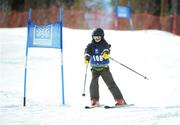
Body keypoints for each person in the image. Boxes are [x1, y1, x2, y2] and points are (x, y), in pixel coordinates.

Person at [84, 28, 126, 106]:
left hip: (104, 68)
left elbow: (106, 49)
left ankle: (119, 99)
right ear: (92, 37)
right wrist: (87, 57)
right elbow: (87, 51)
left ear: (102, 37)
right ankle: (94, 100)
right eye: (95, 37)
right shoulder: (90, 46)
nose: (97, 38)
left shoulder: (104, 44)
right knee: (93, 84)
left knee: (111, 83)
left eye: (99, 37)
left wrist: (106, 53)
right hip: (94, 69)